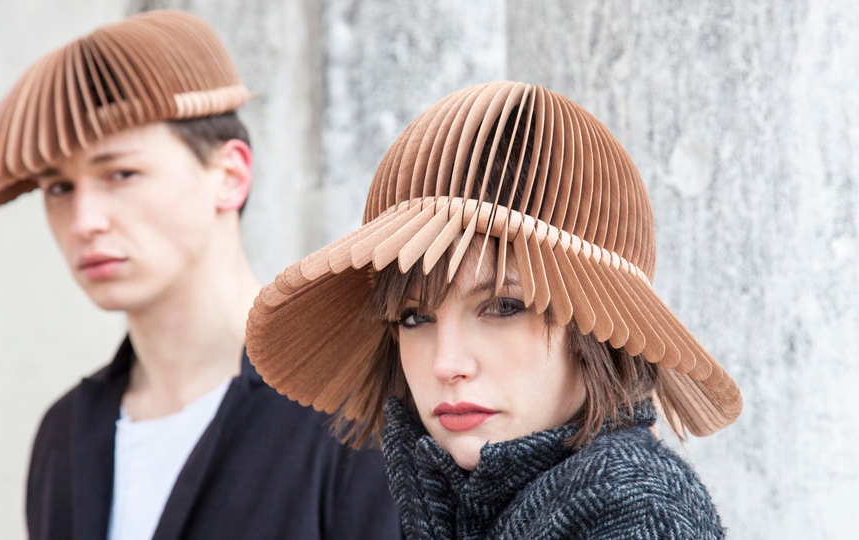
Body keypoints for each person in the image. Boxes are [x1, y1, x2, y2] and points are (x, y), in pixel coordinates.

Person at [0, 10, 400, 540]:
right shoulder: (65, 436)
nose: (84, 221)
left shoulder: (350, 410)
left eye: (120, 173)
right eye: (58, 188)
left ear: (230, 175)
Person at [245, 81, 743, 539]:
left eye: (503, 307)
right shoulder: (450, 498)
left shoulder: (632, 510)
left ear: (598, 329)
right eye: (415, 318)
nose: (446, 364)